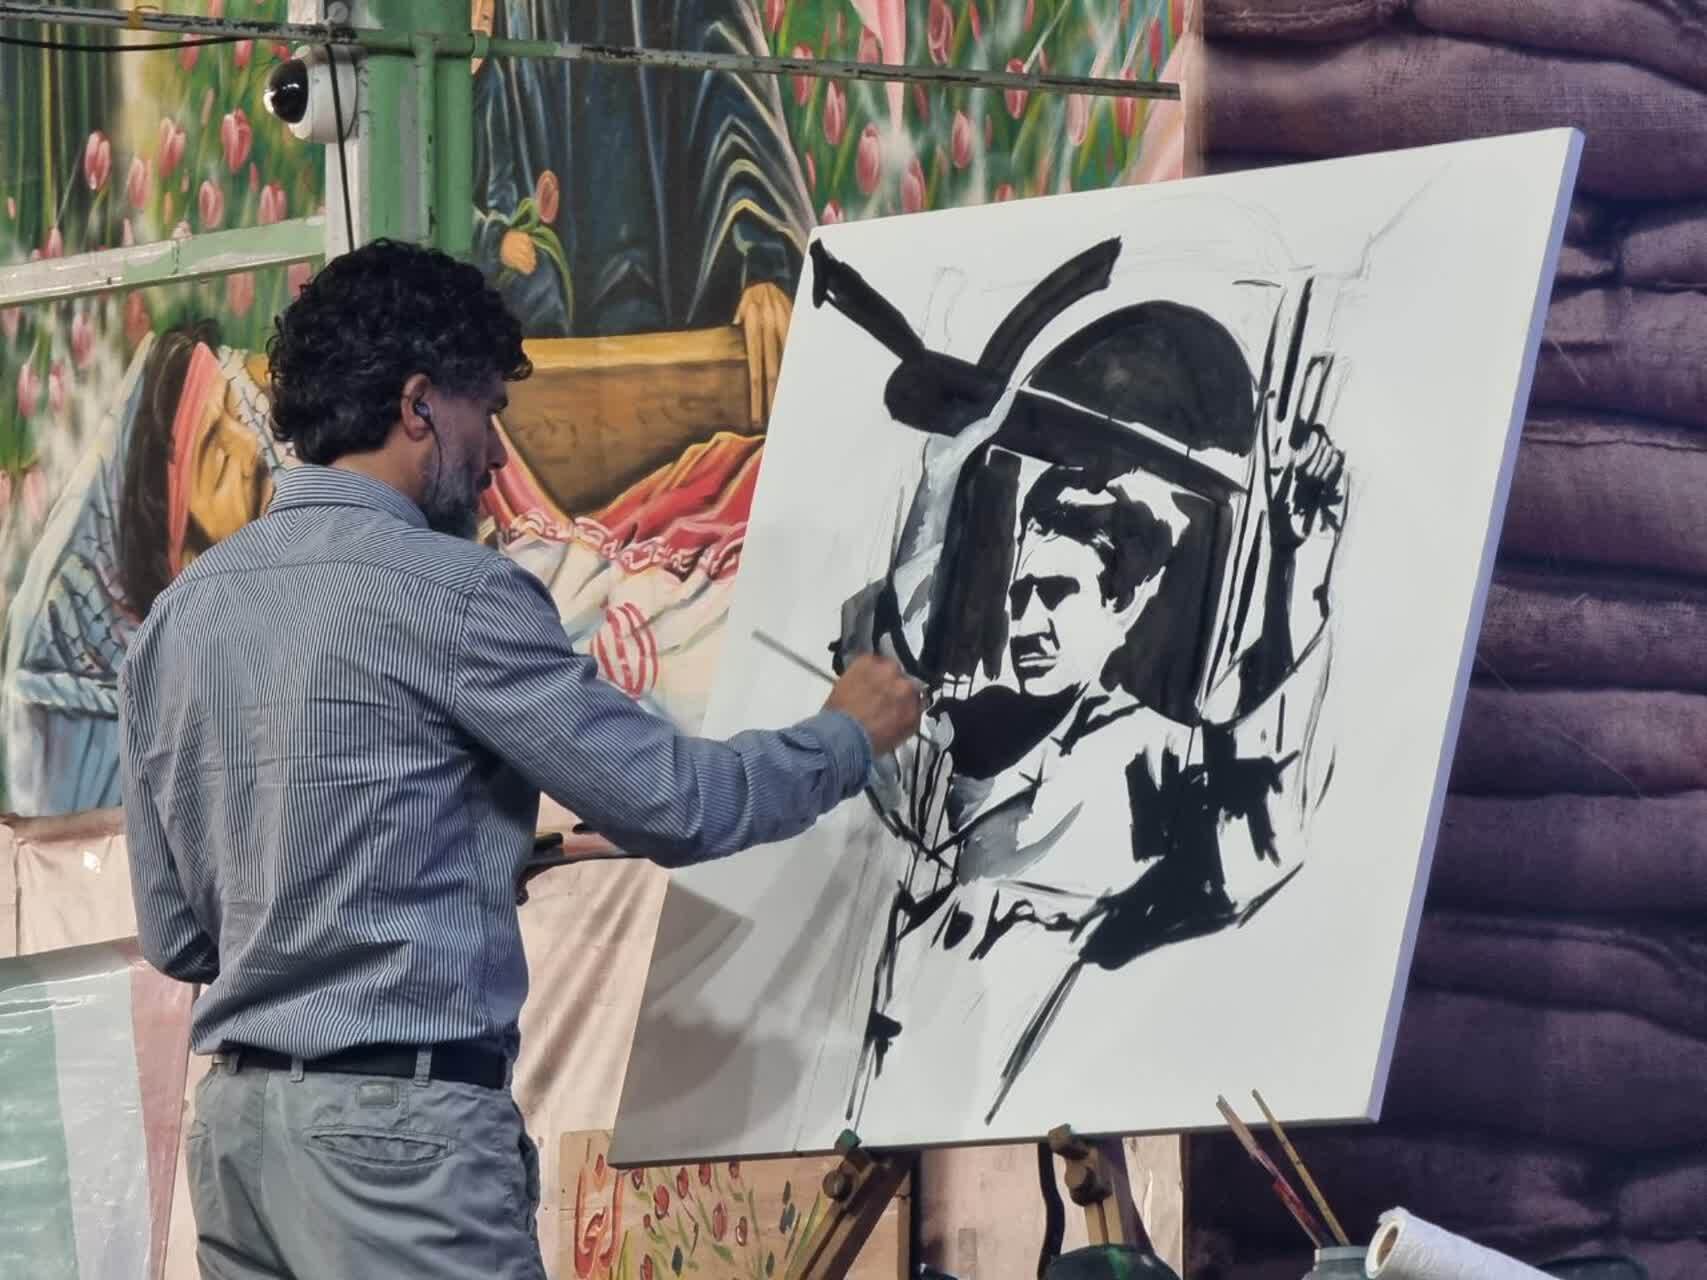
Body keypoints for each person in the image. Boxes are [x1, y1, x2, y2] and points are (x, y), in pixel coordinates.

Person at [118, 239, 922, 1280]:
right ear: (418, 405)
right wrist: (846, 733)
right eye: (487, 411)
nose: (498, 455)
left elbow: (178, 937)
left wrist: (447, 862)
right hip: (397, 1145)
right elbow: (679, 804)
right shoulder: (458, 594)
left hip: (240, 1146)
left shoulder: (178, 618)